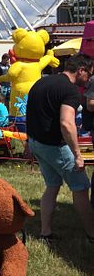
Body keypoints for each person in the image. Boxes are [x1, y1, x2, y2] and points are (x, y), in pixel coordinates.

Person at [26, 53, 94, 245]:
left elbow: (30, 113)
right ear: (80, 70)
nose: (88, 79)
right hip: (55, 146)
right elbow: (66, 123)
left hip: (37, 142)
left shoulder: (41, 83)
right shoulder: (70, 91)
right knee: (81, 187)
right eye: (88, 74)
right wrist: (77, 155)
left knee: (52, 186)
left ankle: (45, 232)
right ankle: (92, 233)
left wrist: (28, 143)